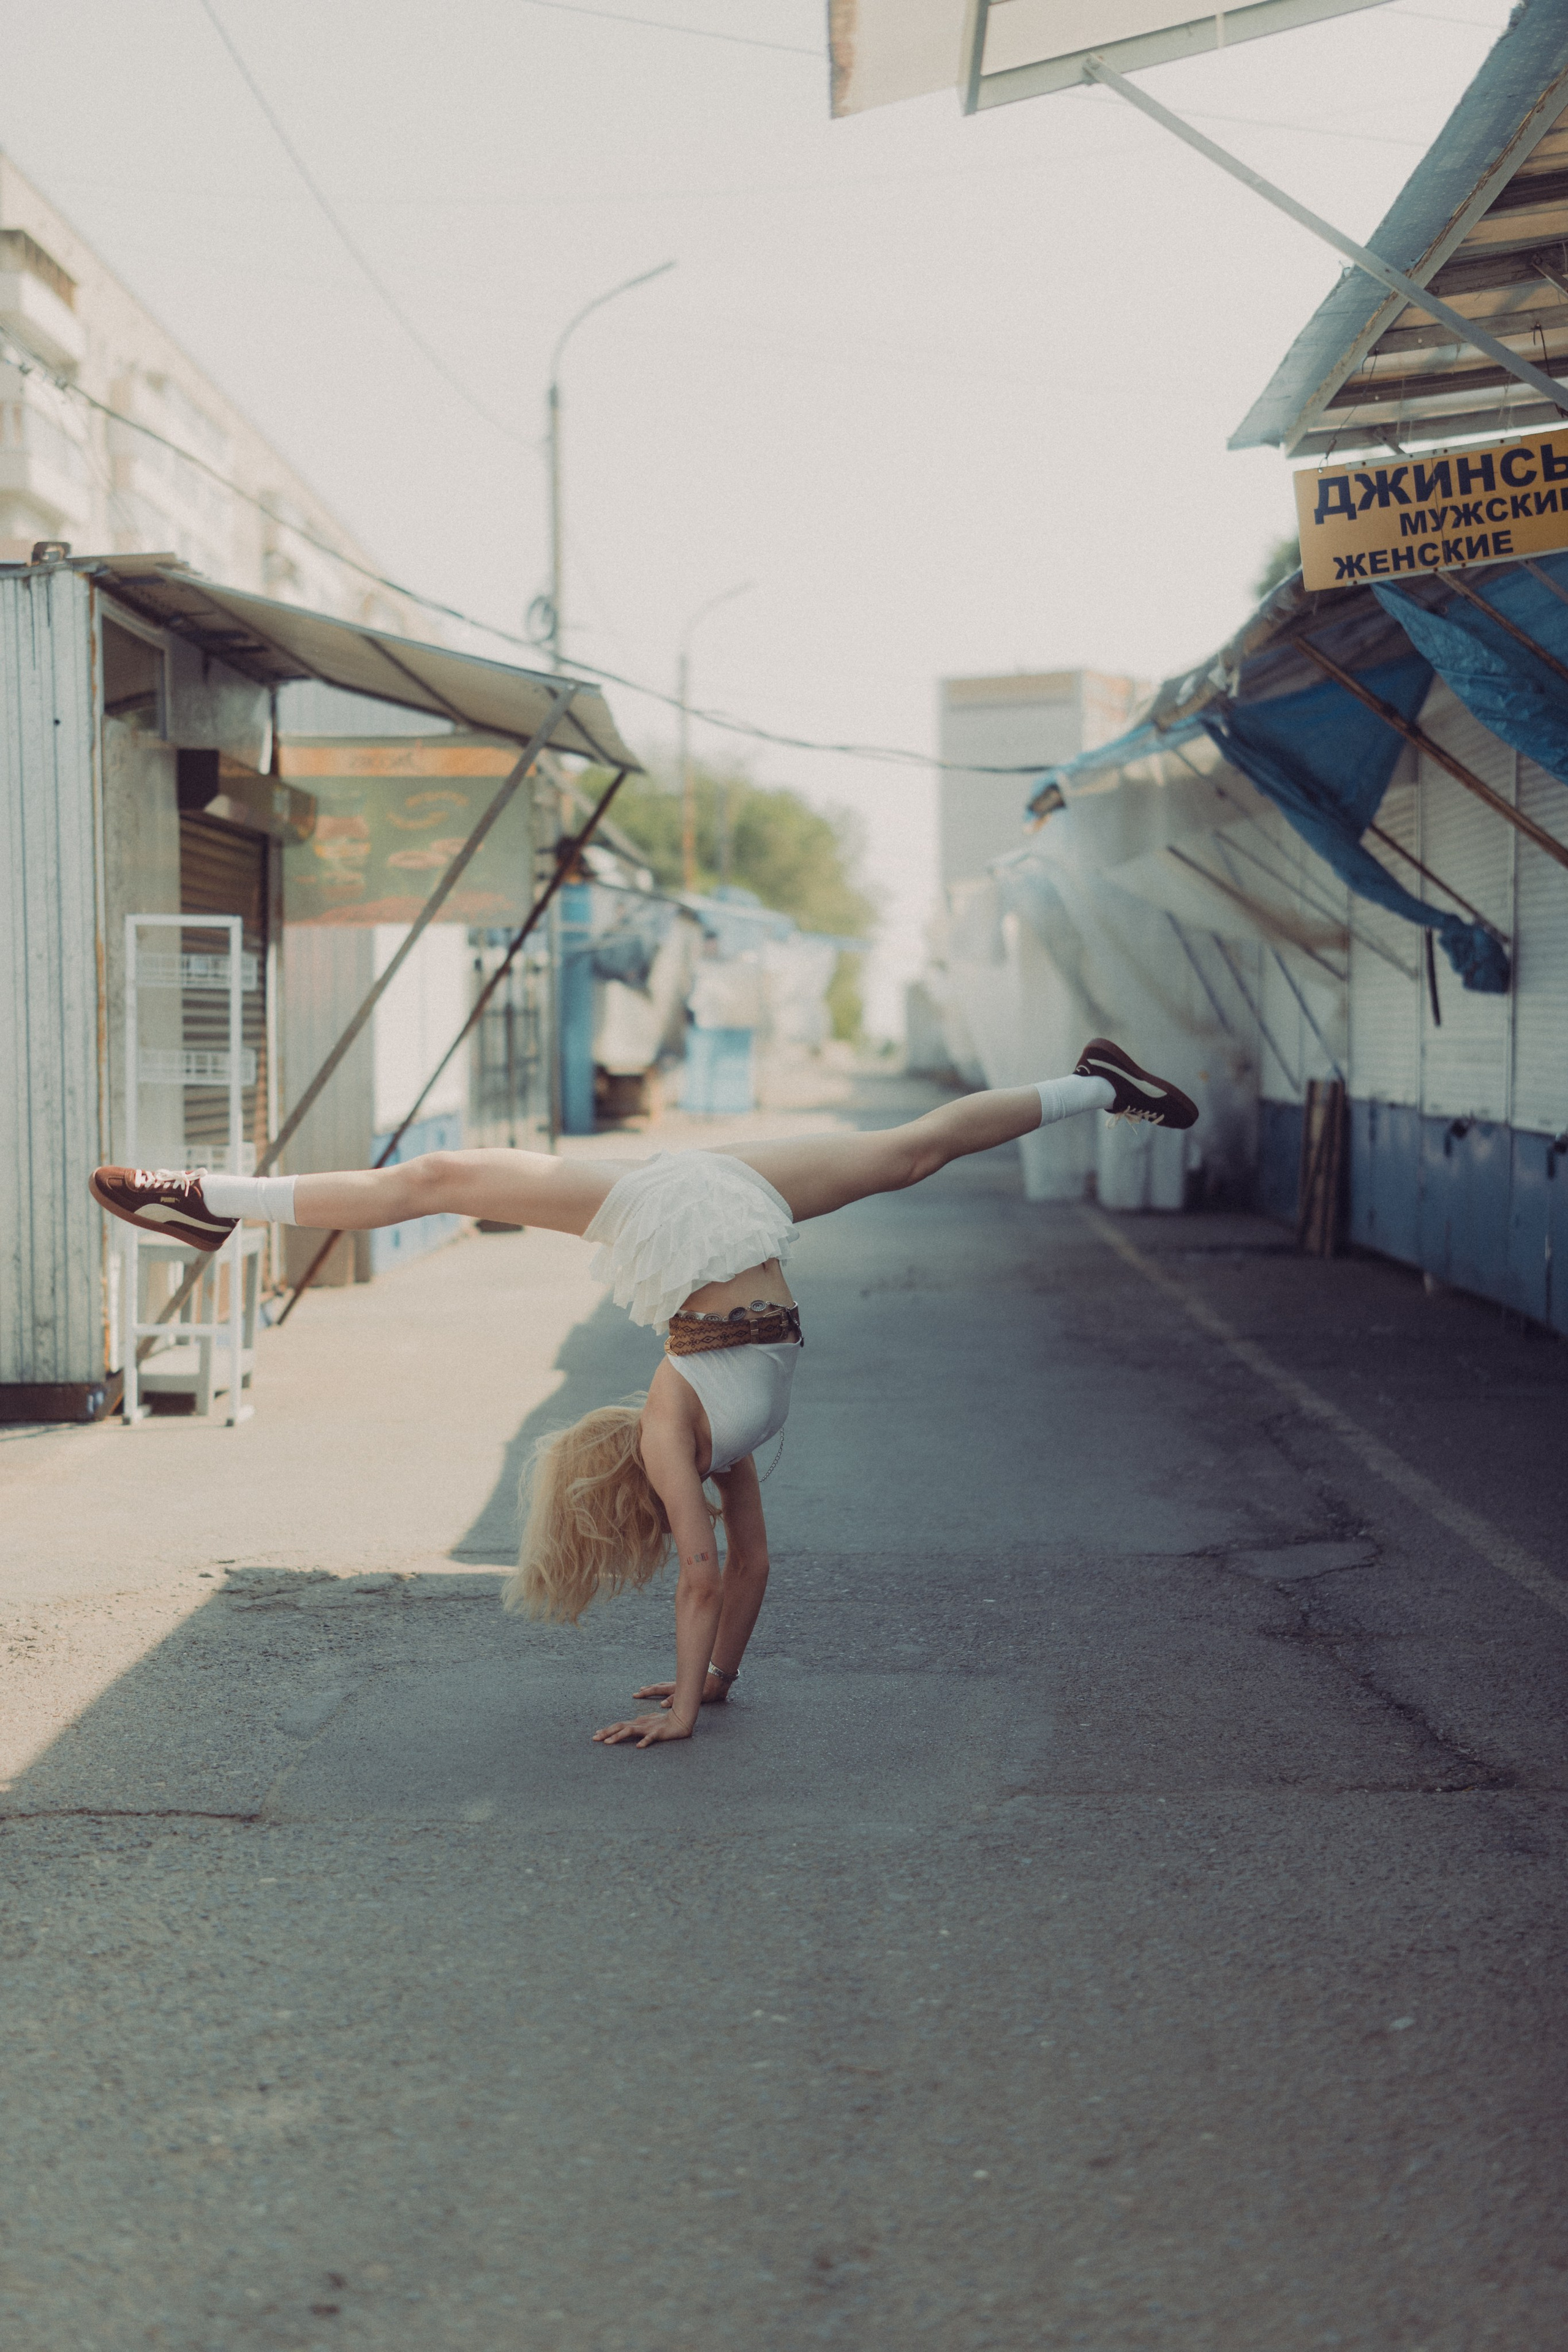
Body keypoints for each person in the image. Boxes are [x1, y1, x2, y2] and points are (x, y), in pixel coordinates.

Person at [89, 1038, 1196, 1749]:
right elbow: (721, 1567)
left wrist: (698, 1695)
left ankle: (214, 1200)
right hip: (710, 1214)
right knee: (440, 1180)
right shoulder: (692, 1433)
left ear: (645, 1487)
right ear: (609, 1462)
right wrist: (695, 1691)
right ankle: (1097, 1083)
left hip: (712, 1230)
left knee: (907, 1152)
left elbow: (724, 1569)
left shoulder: (707, 1439)